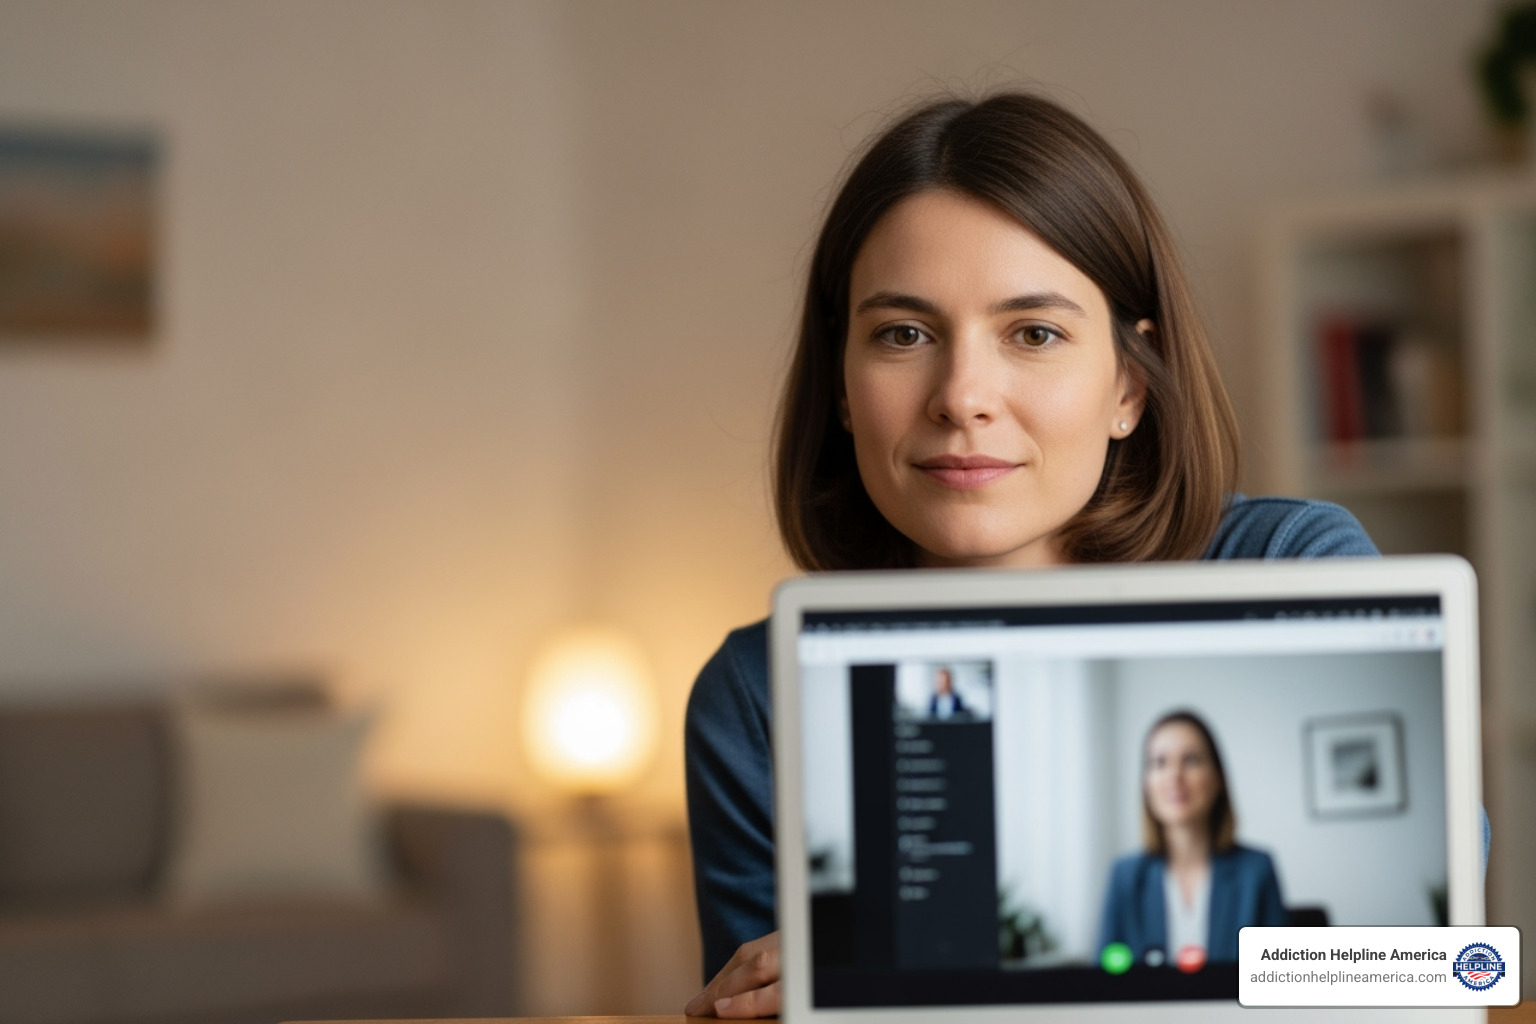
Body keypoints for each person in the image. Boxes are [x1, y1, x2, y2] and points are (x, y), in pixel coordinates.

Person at [681, 91, 1378, 1020]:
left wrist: (947, 965)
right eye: (903, 334)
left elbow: (1425, 967)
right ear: (842, 385)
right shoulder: (754, 699)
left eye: (1034, 333)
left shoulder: (1296, 568)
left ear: (1130, 382)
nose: (963, 395)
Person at [1098, 711, 1285, 968]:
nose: (1174, 776)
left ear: (1218, 778)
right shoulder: (1125, 875)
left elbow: (1276, 980)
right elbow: (1102, 982)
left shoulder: (1256, 870)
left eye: (1191, 760)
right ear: (1146, 782)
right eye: (1159, 763)